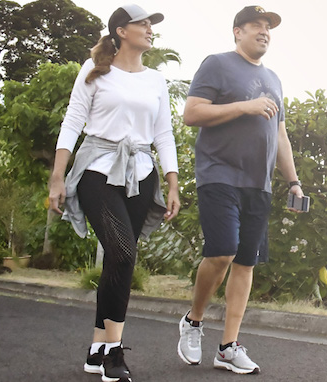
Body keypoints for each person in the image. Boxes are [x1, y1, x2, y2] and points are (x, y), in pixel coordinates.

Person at [48, 4, 180, 382]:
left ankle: (95, 348)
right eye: (144, 24)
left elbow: (163, 134)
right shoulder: (93, 72)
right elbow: (73, 122)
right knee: (122, 252)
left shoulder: (155, 80)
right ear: (122, 30)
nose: (151, 30)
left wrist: (171, 181)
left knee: (118, 261)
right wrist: (58, 176)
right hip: (97, 170)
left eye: (152, 25)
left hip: (141, 173)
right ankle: (113, 351)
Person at [176, 5, 303, 375]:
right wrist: (245, 106)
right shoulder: (216, 64)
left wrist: (292, 181)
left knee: (246, 261)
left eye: (268, 28)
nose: (264, 32)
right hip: (219, 174)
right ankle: (194, 320)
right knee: (222, 252)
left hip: (257, 184)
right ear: (237, 31)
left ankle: (228, 346)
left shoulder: (275, 80)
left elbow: (280, 135)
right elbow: (192, 113)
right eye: (256, 26)